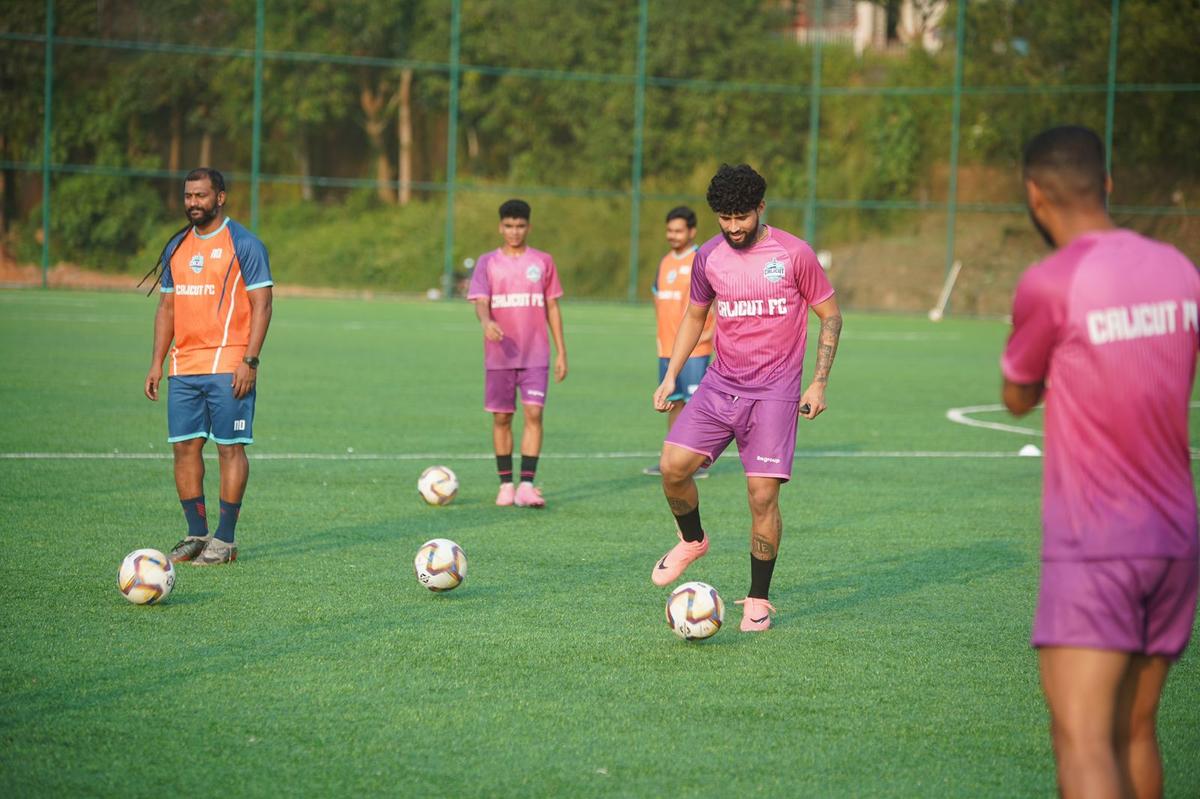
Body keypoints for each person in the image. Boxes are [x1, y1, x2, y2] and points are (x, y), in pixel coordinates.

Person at [1001, 125, 1199, 798]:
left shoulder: (1051, 281)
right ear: (1107, 184)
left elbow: (1017, 395)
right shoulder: (1179, 269)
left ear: (1034, 195)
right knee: (1135, 732)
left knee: (1083, 741)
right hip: (1176, 537)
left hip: (1097, 542)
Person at [651, 164, 842, 631]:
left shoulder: (795, 254)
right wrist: (671, 375)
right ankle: (693, 540)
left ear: (761, 207)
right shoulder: (709, 257)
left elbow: (831, 317)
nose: (733, 226)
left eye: (741, 216)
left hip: (775, 396)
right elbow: (695, 317)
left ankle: (758, 598)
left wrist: (818, 382)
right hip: (719, 386)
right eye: (724, 217)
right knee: (672, 468)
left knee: (761, 499)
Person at [144, 167, 274, 566]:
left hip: (229, 362)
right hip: (185, 365)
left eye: (201, 196)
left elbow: (262, 304)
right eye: (188, 196)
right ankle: (196, 534)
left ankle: (225, 540)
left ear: (220, 197)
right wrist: (157, 362)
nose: (193, 203)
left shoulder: (244, 243)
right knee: (185, 448)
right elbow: (167, 306)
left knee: (230, 449)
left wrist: (249, 361)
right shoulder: (176, 246)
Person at [468, 199, 568, 508]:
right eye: (509, 226)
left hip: (536, 354)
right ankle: (505, 485)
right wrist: (487, 322)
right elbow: (481, 302)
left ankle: (526, 484)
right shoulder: (488, 263)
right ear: (500, 227)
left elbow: (552, 306)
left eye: (520, 226)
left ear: (529, 227)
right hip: (499, 356)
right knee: (501, 417)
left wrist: (562, 352)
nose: (514, 231)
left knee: (534, 413)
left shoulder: (543, 262)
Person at [644, 206, 715, 477]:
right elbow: (657, 296)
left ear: (692, 231)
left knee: (695, 406)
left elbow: (719, 299)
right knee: (673, 404)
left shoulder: (700, 259)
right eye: (669, 230)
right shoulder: (665, 262)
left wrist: (714, 331)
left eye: (678, 230)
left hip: (695, 349)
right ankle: (670, 459)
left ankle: (693, 463)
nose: (673, 235)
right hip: (667, 348)